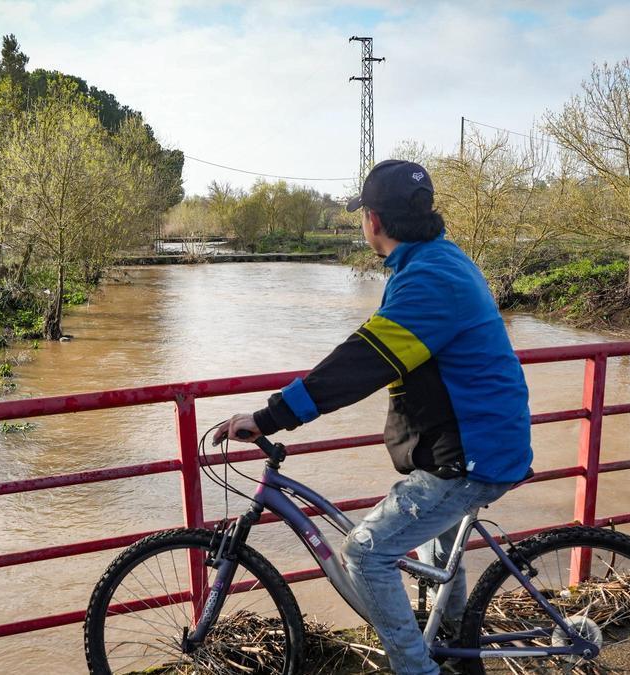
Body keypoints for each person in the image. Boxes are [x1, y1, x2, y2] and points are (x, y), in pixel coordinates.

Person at [212, 159, 532, 675]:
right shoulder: (436, 261)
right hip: (473, 442)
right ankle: (457, 652)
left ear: (374, 220)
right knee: (438, 557)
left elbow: (360, 364)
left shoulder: (429, 280)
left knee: (365, 553)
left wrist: (269, 416)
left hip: (472, 453)